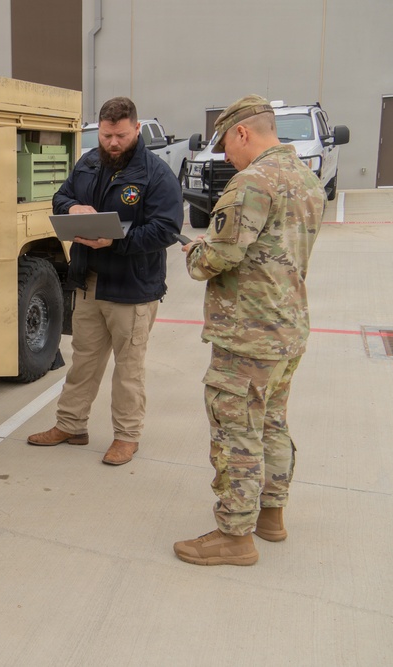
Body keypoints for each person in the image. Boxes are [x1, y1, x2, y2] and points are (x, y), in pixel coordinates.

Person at [173, 95, 325, 566]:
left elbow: (220, 256)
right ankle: (270, 516)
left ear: (243, 133)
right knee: (273, 423)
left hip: (248, 335)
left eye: (225, 144)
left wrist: (196, 253)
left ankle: (234, 537)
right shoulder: (306, 179)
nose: (224, 155)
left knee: (235, 429)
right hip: (287, 329)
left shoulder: (252, 182)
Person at [26, 97, 182, 465]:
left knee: (128, 370)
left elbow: (167, 230)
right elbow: (60, 196)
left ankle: (127, 437)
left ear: (137, 129)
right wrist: (72, 208)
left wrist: (119, 240)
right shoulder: (89, 163)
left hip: (132, 289)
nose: (113, 143)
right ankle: (71, 425)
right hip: (89, 282)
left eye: (121, 136)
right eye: (108, 135)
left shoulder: (156, 175)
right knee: (84, 362)